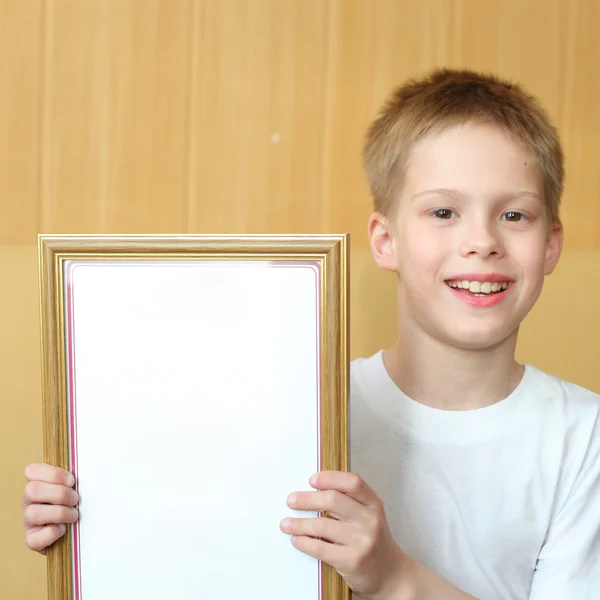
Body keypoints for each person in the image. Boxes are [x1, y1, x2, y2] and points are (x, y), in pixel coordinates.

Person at [22, 69, 600, 599]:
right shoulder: (294, 412)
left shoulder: (583, 439)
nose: (483, 241)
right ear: (384, 240)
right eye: (443, 212)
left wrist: (394, 577)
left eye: (515, 215)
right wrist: (91, 518)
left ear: (550, 244)